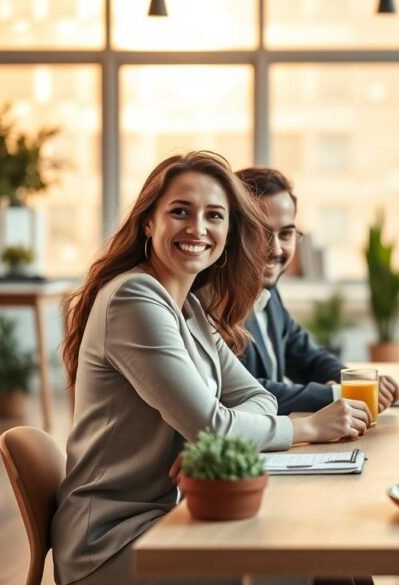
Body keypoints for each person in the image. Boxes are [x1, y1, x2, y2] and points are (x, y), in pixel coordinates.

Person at [52, 152, 371, 585]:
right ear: (149, 221)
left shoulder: (192, 309)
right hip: (113, 543)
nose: (198, 228)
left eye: (214, 215)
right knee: (295, 563)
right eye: (180, 211)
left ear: (227, 230)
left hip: (176, 515)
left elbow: (255, 398)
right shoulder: (134, 299)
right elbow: (213, 424)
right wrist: (306, 428)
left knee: (334, 560)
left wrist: (210, 444)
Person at [235, 166, 399, 414]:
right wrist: (340, 394)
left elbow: (308, 356)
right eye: (261, 233)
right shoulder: (212, 303)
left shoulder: (270, 294)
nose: (277, 250)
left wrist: (355, 381)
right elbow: (241, 393)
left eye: (287, 234)